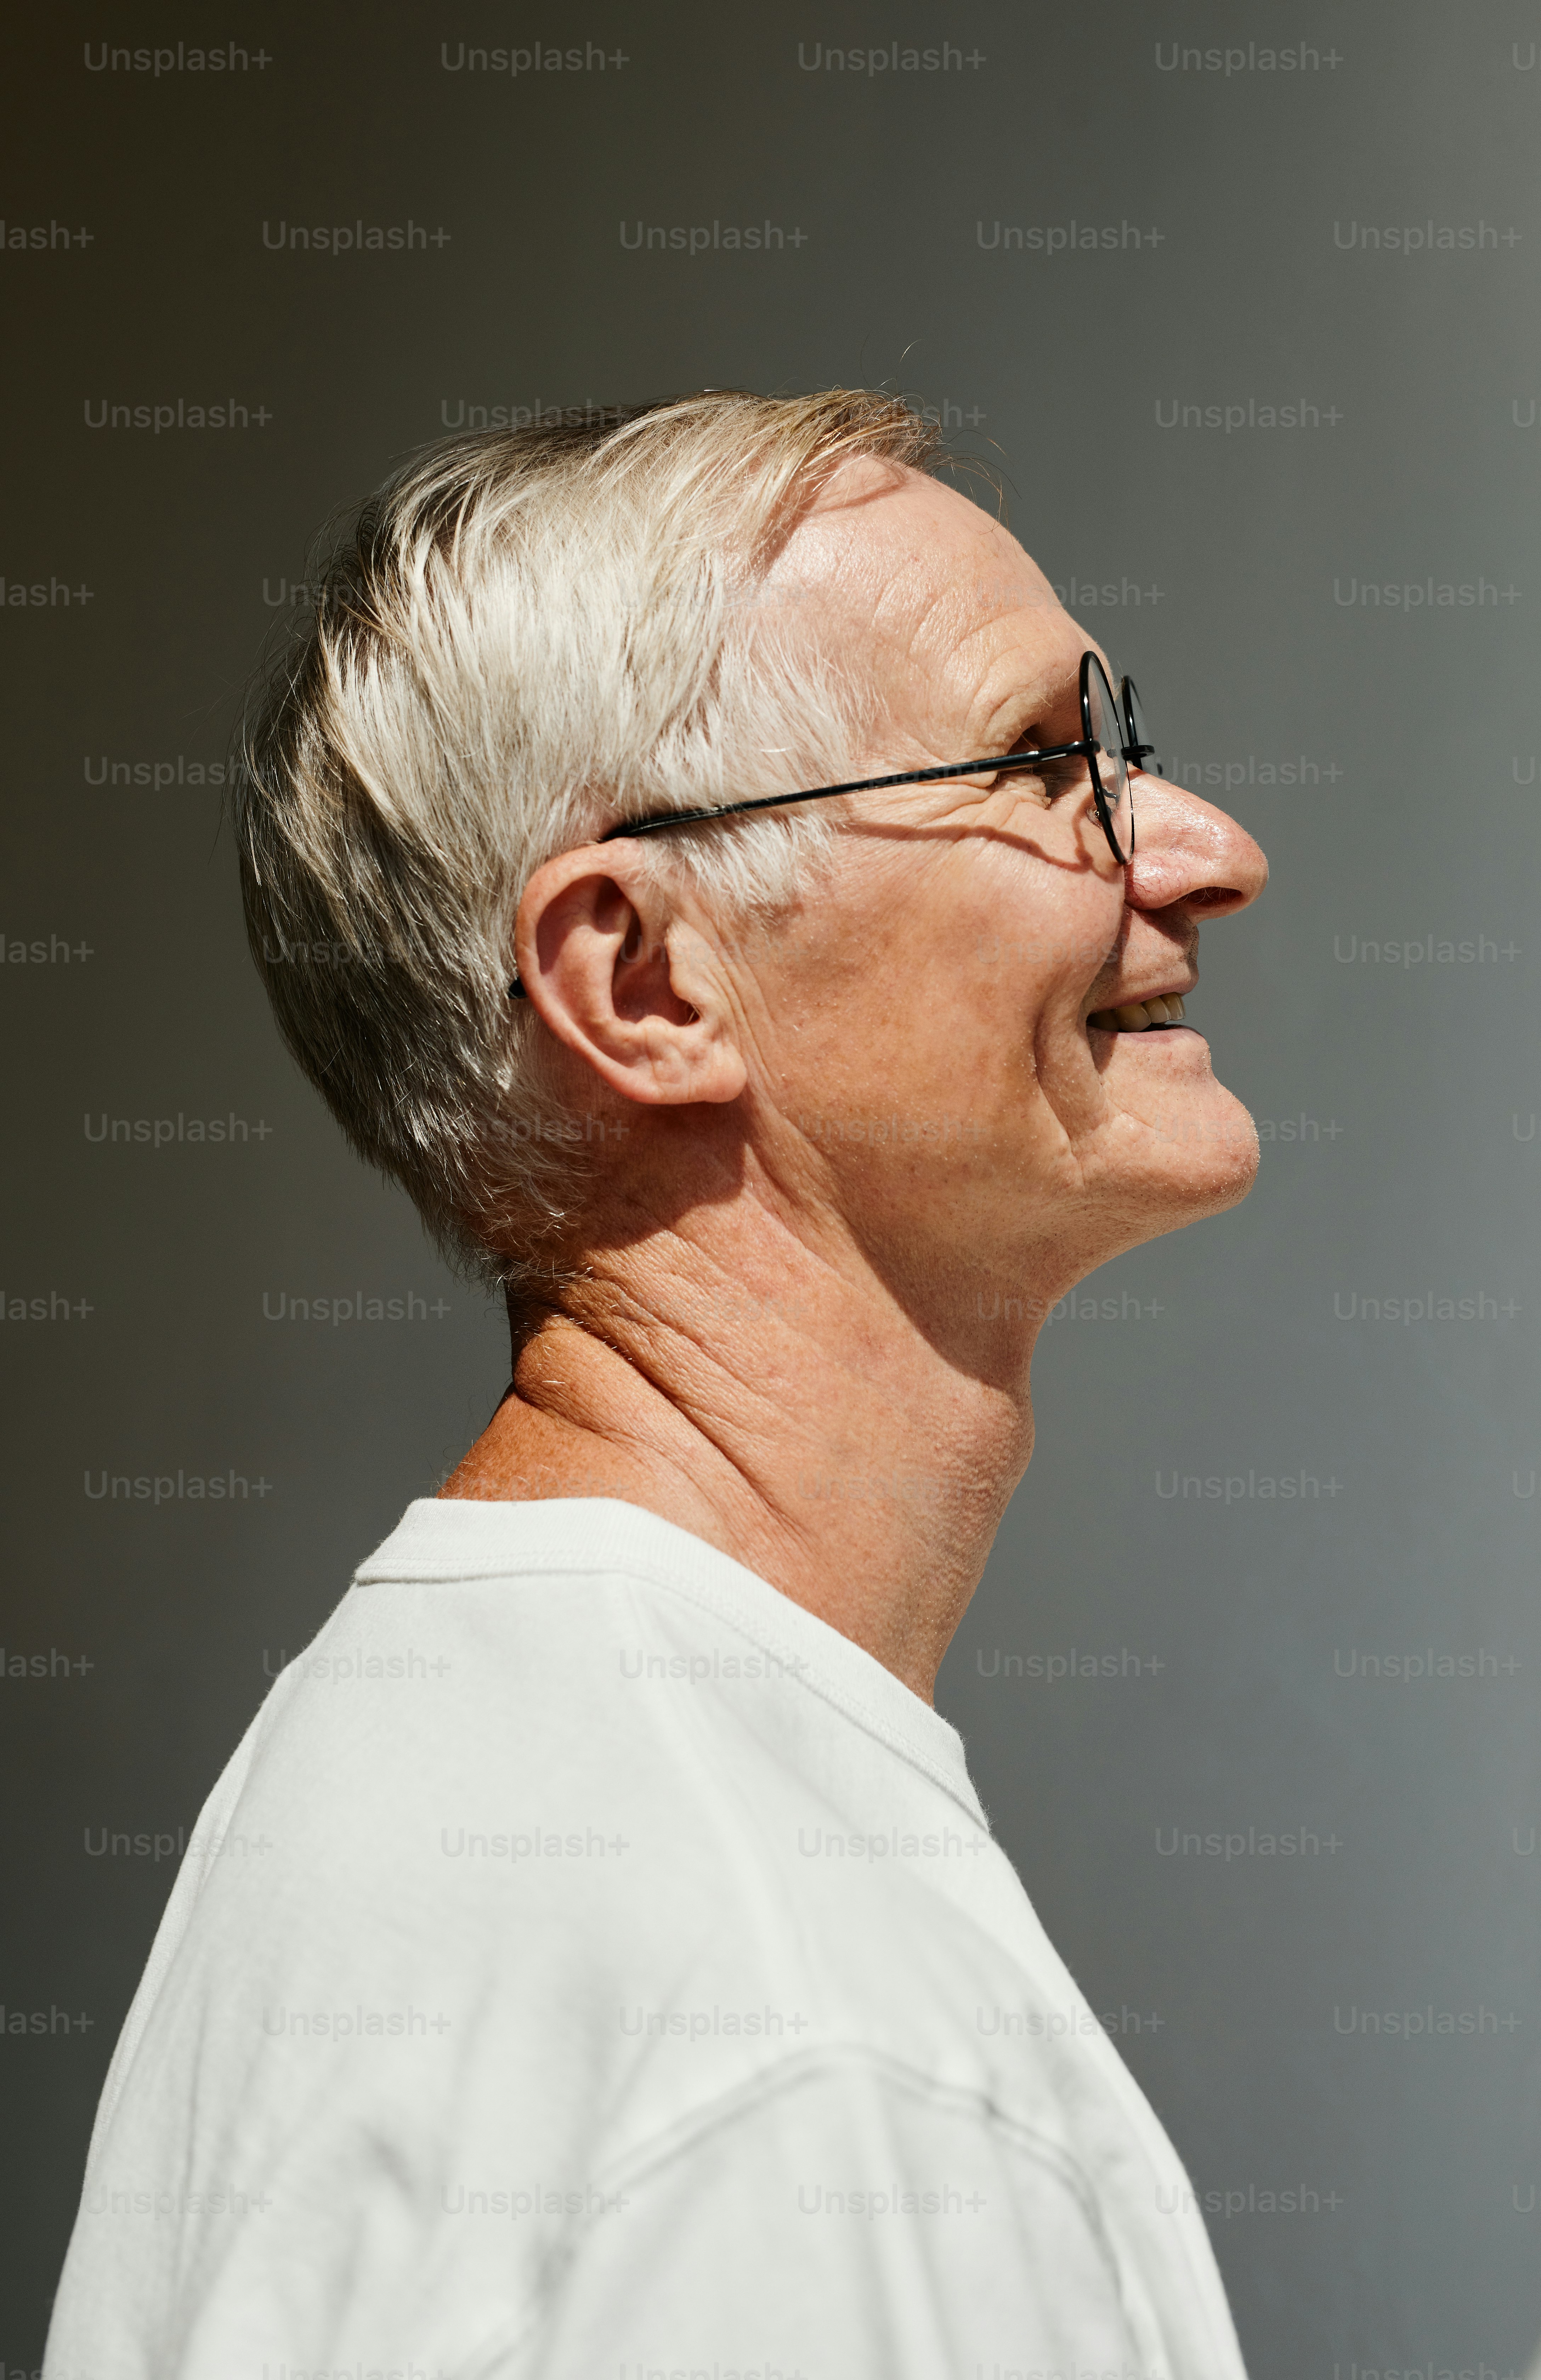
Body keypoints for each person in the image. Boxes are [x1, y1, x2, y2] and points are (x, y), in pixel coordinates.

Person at [46, 389, 1268, 2378]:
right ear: (643, 980)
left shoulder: (410, 1776)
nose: (1213, 854)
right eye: (1047, 765)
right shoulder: (806, 2048)